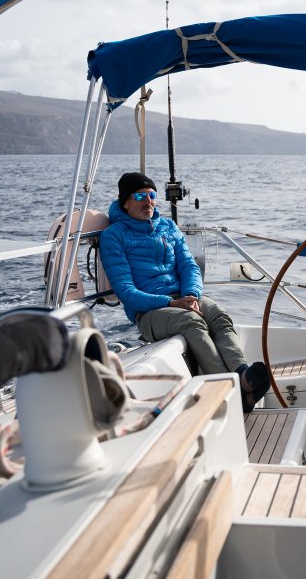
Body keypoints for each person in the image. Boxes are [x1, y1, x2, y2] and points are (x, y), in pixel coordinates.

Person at [99, 172, 269, 412]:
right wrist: (171, 302)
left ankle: (242, 375)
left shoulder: (167, 227)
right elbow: (126, 292)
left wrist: (191, 294)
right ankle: (230, 391)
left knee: (218, 315)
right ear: (125, 202)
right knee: (191, 322)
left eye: (151, 195)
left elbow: (189, 266)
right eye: (139, 196)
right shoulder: (113, 236)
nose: (148, 201)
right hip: (149, 312)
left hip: (183, 297)